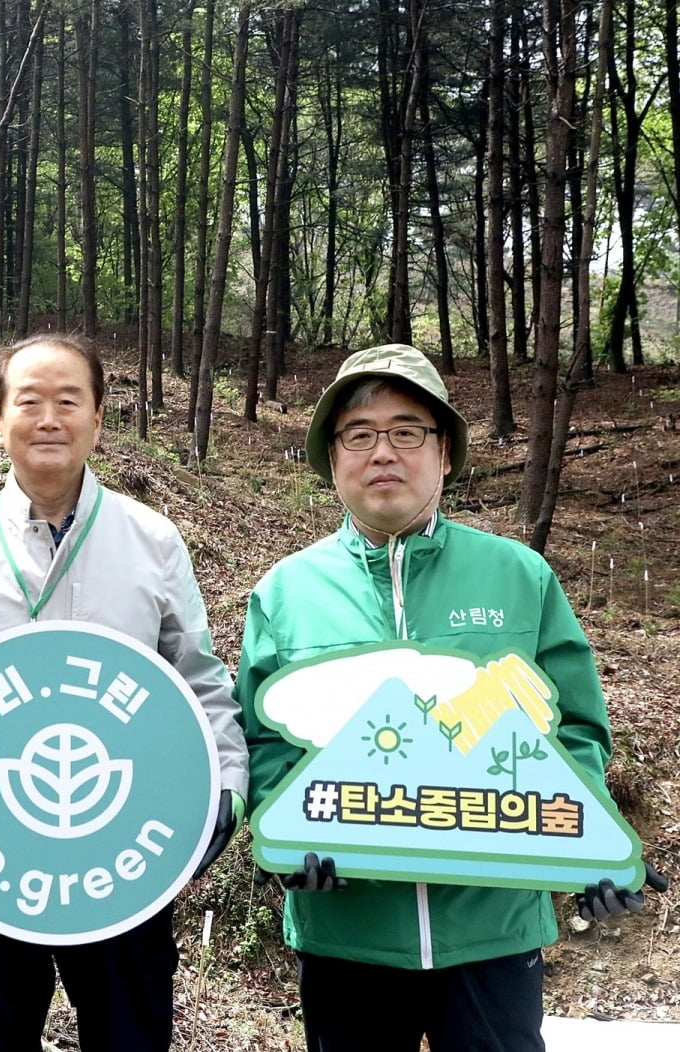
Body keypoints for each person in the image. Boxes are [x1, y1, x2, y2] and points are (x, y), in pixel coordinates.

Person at [234, 343, 667, 1052]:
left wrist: (595, 842)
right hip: (349, 934)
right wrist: (290, 831)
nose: (384, 453)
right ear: (332, 457)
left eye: (407, 432)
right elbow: (261, 740)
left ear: (444, 453)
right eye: (360, 434)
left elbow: (577, 730)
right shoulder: (286, 594)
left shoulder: (518, 577)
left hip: (493, 929)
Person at [0, 332, 248, 1052]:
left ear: (99, 419)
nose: (49, 418)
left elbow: (199, 679)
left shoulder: (152, 540)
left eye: (69, 401)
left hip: (125, 850)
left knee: (130, 1036)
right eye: (30, 401)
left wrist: (226, 783)